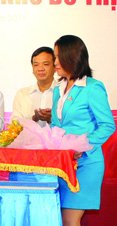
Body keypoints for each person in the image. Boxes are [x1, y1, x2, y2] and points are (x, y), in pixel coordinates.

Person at [51, 35, 115, 226]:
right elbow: (56, 125)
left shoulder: (92, 88)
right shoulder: (58, 88)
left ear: (72, 57)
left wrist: (83, 146)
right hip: (62, 165)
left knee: (70, 219)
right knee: (61, 219)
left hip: (85, 164)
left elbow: (107, 125)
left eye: (57, 57)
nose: (54, 62)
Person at [11, 46, 57, 127]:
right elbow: (14, 125)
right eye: (36, 65)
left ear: (55, 67)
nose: (40, 68)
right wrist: (34, 118)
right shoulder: (22, 94)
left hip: (57, 139)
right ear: (32, 68)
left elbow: (71, 123)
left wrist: (52, 118)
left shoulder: (63, 92)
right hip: (27, 139)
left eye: (46, 64)